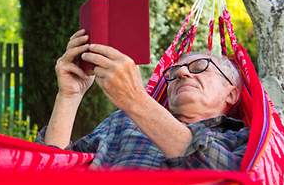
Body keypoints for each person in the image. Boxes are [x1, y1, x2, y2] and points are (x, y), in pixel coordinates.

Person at [36, 29, 249, 170]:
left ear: (231, 93)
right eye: (174, 72)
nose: (183, 74)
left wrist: (135, 99)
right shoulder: (123, 122)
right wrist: (69, 96)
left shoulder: (241, 139)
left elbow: (225, 175)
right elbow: (53, 172)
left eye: (199, 67)